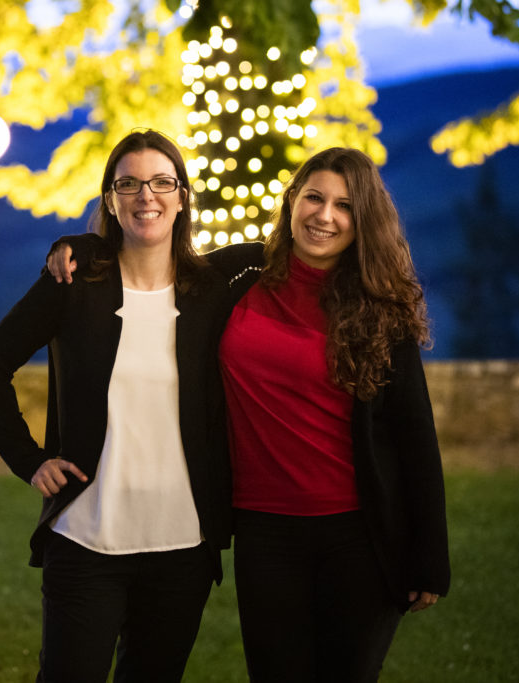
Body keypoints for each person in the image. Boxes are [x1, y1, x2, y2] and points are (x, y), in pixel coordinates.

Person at [47, 146, 451, 682]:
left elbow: (414, 435)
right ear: (292, 201)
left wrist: (430, 559)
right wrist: (81, 245)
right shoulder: (240, 276)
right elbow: (153, 247)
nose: (324, 215)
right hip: (264, 533)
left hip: (359, 534)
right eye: (314, 198)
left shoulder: (379, 308)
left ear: (363, 221)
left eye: (344, 206)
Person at [0, 129, 234, 683]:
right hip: (87, 540)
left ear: (183, 197)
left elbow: (284, 254)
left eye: (162, 182)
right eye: (129, 184)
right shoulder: (74, 283)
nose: (146, 196)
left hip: (182, 548)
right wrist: (29, 460)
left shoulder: (211, 293)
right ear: (110, 200)